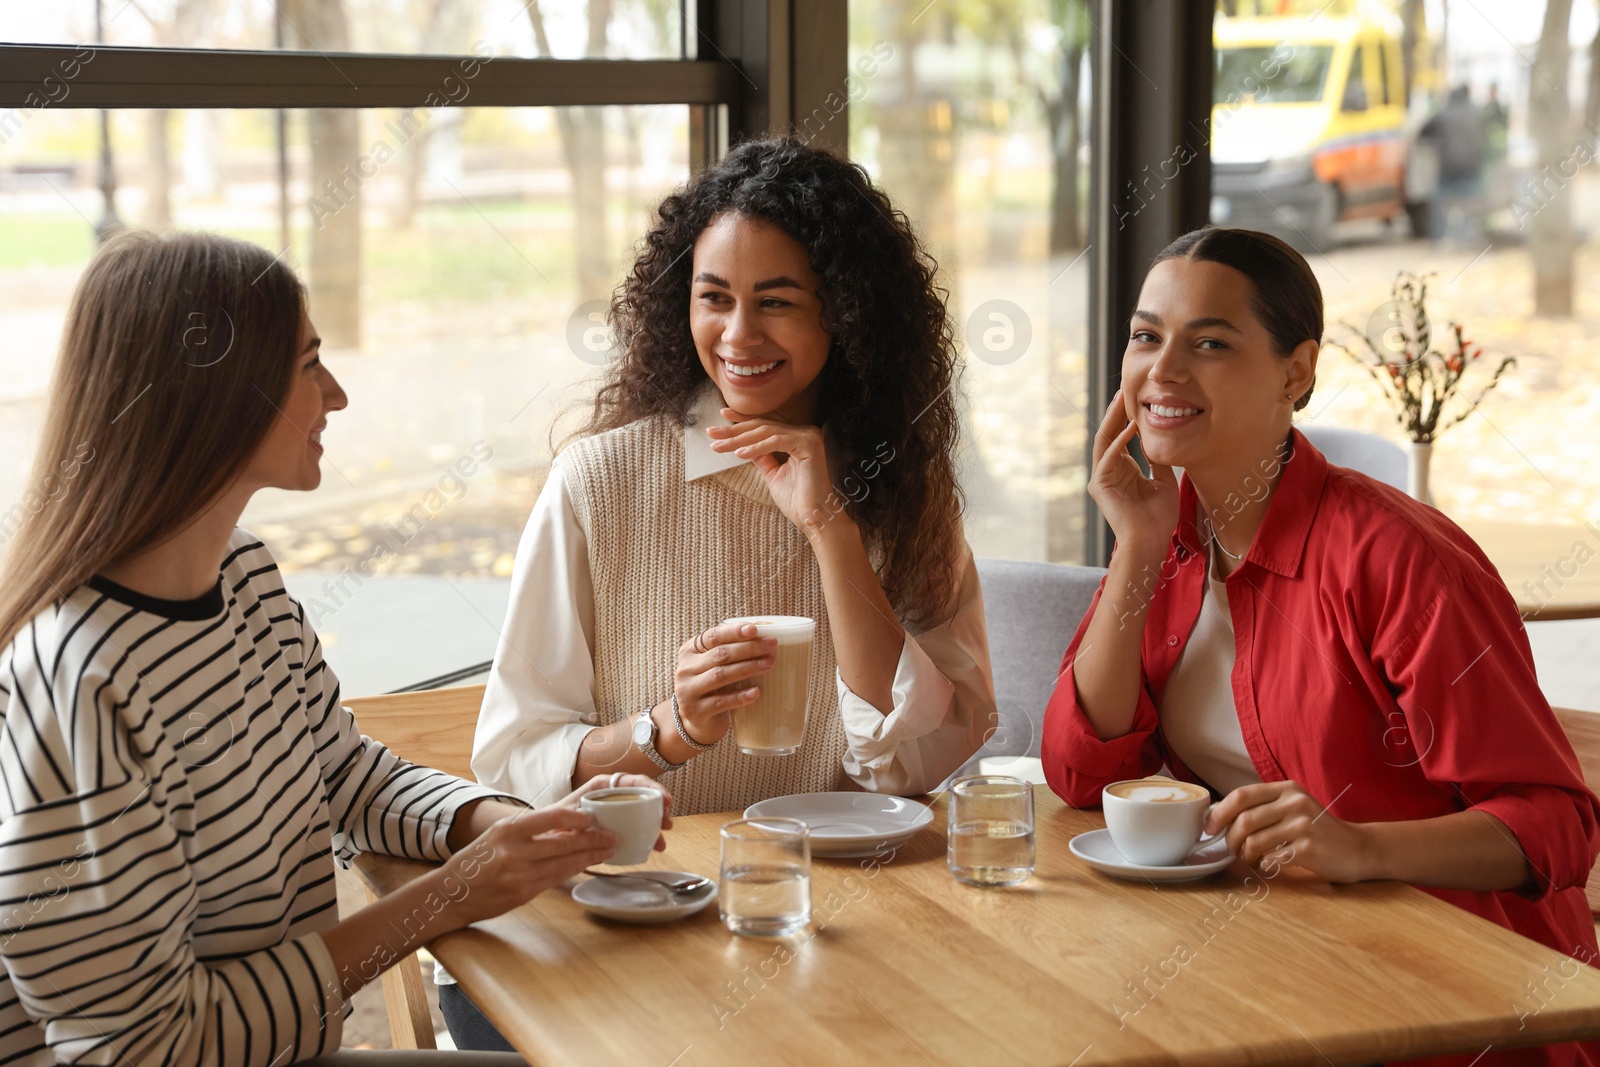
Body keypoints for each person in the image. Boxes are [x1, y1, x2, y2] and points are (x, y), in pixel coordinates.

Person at [0, 231, 671, 1066]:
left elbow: (344, 774)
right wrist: (448, 899)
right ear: (214, 393)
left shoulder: (241, 573)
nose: (340, 395)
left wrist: (527, 831)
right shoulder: (79, 677)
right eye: (308, 363)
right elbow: (139, 1047)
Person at [1040, 226, 1600, 1067]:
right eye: (1146, 336)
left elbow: (1556, 823)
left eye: (1211, 342)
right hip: (1277, 967)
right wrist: (1140, 548)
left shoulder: (1398, 557)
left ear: (1297, 371)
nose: (1163, 370)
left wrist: (1359, 846)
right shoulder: (1166, 534)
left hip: (1461, 1006)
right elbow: (1080, 772)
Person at [472, 135, 994, 815]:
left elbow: (921, 760)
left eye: (775, 302)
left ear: (845, 312)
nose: (738, 335)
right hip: (653, 893)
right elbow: (514, 761)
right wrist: (672, 728)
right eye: (714, 297)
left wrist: (829, 526)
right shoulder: (597, 484)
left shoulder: (902, 486)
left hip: (843, 893)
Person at [1420, 84, 1490, 244]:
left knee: (1439, 207)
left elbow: (1423, 134)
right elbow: (1486, 137)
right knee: (1471, 205)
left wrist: (1434, 142)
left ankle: (1438, 239)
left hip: (1447, 167)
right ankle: (1467, 238)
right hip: (1471, 167)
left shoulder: (1443, 114)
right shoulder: (1476, 113)